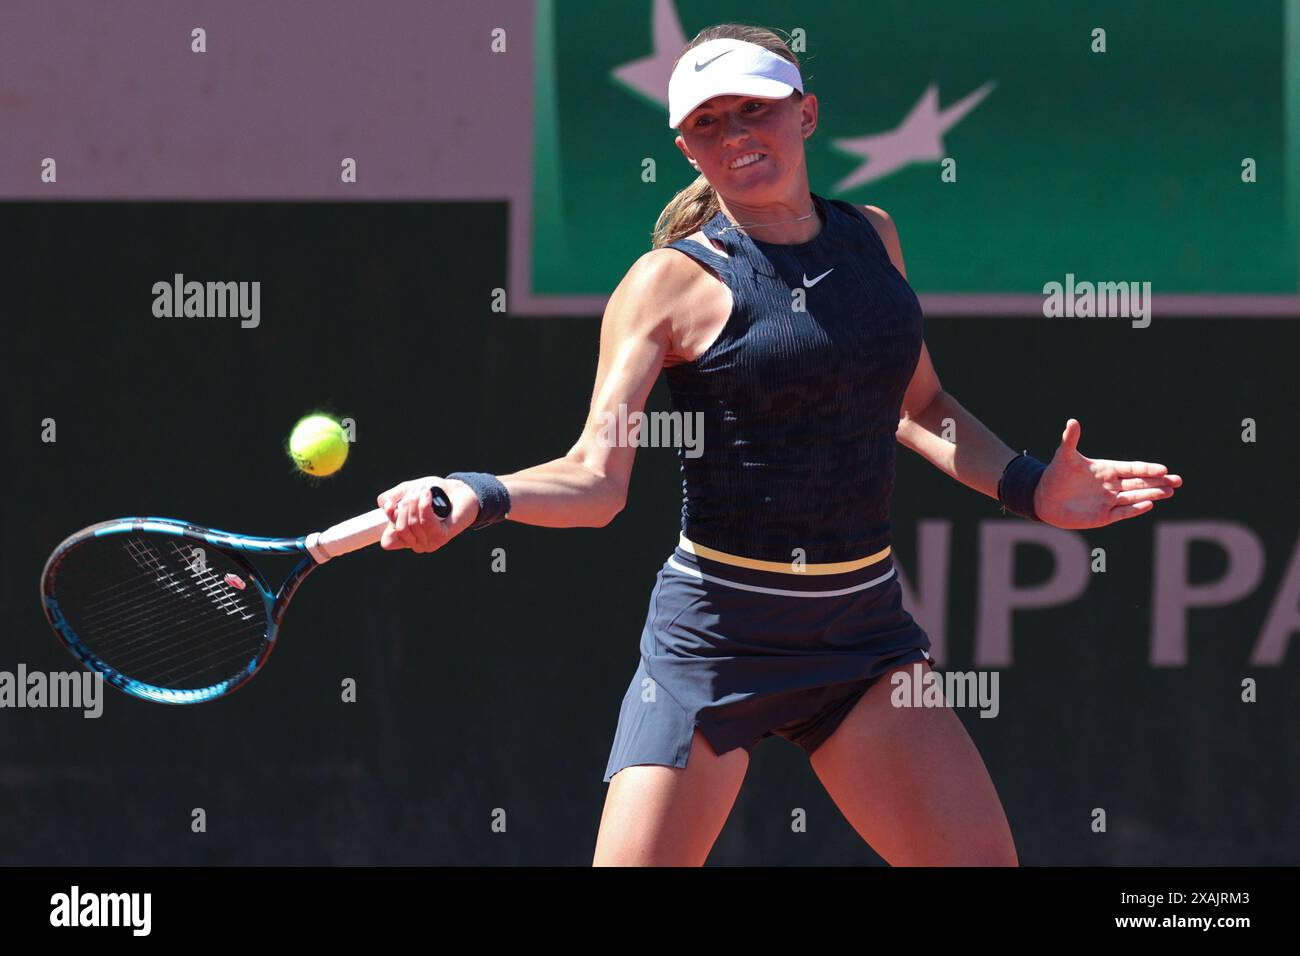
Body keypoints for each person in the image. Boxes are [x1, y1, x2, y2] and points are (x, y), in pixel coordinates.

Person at [374, 23, 1182, 866]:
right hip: (713, 640)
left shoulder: (872, 237)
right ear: (685, 148)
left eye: (753, 111)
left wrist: (1028, 486)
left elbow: (918, 403)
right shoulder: (666, 285)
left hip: (861, 637)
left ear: (806, 114)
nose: (735, 138)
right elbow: (593, 479)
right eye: (708, 124)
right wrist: (477, 493)